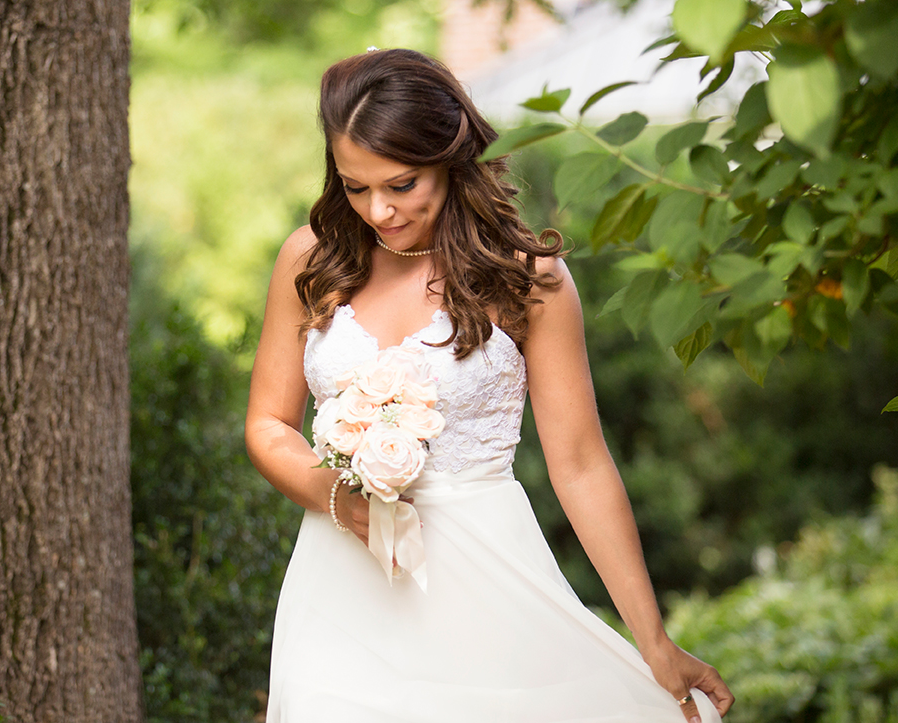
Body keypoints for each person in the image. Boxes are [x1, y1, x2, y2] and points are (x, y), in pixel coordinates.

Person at [244, 48, 734, 723]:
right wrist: (333, 494)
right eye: (356, 187)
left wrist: (653, 640)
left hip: (485, 584)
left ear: (449, 157)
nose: (379, 210)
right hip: (339, 587)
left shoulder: (528, 279)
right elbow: (269, 424)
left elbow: (582, 465)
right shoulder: (312, 258)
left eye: (400, 184)